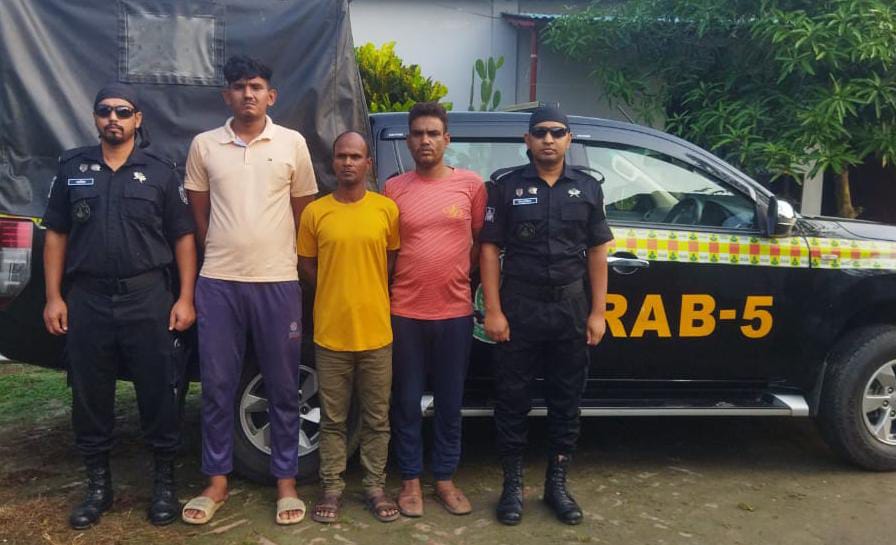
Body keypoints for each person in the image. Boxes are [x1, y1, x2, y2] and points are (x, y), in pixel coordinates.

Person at [42, 83, 197, 529]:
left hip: (147, 297)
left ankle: (163, 486)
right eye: (105, 110)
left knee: (159, 392)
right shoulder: (73, 168)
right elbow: (56, 234)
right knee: (90, 396)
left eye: (123, 111)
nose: (114, 118)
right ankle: (98, 488)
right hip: (88, 299)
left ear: (137, 119)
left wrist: (186, 297)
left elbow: (183, 238)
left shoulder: (160, 171)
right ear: (95, 117)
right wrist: (53, 297)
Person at [182, 55, 317, 526]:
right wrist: (224, 251)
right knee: (218, 385)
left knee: (283, 385)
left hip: (278, 282)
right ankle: (216, 480)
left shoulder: (292, 144)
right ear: (227, 95)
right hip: (219, 282)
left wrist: (283, 262)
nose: (248, 94)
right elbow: (199, 216)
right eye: (239, 86)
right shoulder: (205, 146)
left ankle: (286, 480)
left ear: (270, 96)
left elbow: (305, 216)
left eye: (256, 86)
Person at [479, 104, 613, 526]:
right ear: (528, 140)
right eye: (540, 132)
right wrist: (493, 310)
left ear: (569, 139)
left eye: (557, 132)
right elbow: (489, 249)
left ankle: (557, 485)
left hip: (570, 309)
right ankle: (512, 486)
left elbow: (597, 252)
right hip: (520, 307)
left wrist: (598, 312)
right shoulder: (506, 187)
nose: (548, 139)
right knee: (512, 399)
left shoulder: (587, 188)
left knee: (566, 401)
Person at [384, 101, 486, 517]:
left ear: (447, 139)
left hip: (455, 312)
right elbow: (389, 250)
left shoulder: (471, 186)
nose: (425, 140)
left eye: (432, 133)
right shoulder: (393, 189)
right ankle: (410, 480)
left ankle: (444, 477)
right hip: (405, 312)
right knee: (406, 401)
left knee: (449, 401)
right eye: (417, 134)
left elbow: (479, 244)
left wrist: (457, 272)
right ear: (408, 140)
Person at [298, 131, 401, 523]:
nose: (347, 163)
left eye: (355, 156)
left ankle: (375, 487)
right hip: (331, 335)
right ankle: (331, 487)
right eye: (341, 156)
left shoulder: (386, 210)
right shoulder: (315, 213)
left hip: (377, 335)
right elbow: (306, 264)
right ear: (333, 162)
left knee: (377, 419)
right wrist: (332, 286)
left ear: (367, 164)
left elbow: (391, 259)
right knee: (333, 420)